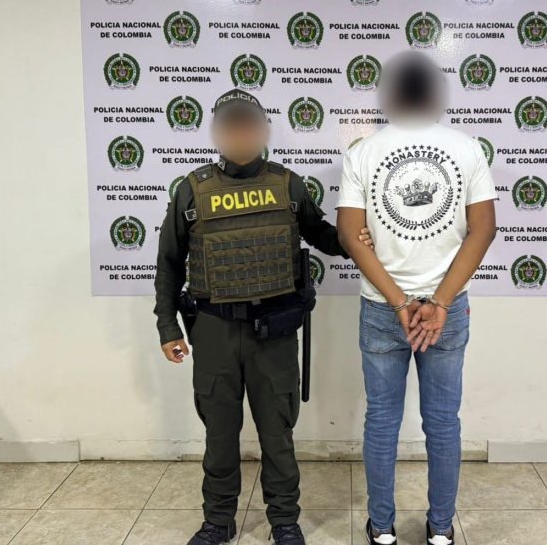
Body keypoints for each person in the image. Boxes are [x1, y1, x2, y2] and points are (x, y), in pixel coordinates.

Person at [154, 88, 371, 545]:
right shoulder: (192, 190)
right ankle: (217, 521)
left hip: (273, 330)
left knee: (277, 433)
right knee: (219, 435)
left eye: (248, 125)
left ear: (263, 130)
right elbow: (169, 264)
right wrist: (168, 326)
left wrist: (358, 237)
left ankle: (284, 521)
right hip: (213, 329)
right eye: (230, 126)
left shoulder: (288, 185)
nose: (240, 134)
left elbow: (321, 235)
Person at [336, 52, 498, 545]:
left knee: (382, 421)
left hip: (384, 308)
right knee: (443, 422)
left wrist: (400, 302)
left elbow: (348, 234)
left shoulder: (363, 152)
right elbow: (484, 229)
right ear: (434, 95)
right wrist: (440, 303)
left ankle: (382, 530)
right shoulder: (467, 148)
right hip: (446, 311)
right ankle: (442, 530)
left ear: (389, 96)